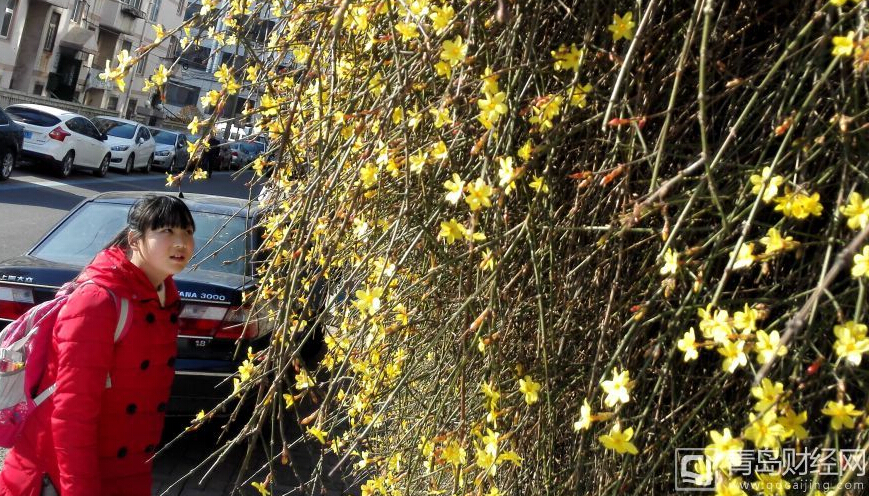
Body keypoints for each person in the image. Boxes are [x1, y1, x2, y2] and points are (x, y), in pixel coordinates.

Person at [0, 195, 196, 496]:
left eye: (187, 232)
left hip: (125, 470)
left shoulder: (162, 299)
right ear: (135, 239)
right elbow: (71, 413)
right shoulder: (99, 301)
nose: (181, 242)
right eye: (167, 231)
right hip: (60, 474)